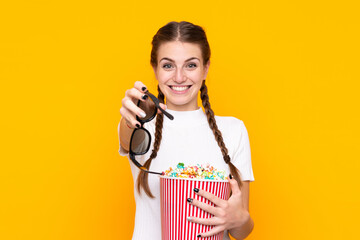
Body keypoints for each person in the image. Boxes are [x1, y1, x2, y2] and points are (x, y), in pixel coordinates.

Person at [118, 21, 255, 240]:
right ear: (155, 69)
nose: (180, 77)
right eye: (168, 65)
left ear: (206, 68)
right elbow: (127, 141)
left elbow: (242, 230)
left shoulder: (233, 130)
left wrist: (239, 219)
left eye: (190, 65)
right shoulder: (142, 125)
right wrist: (133, 118)